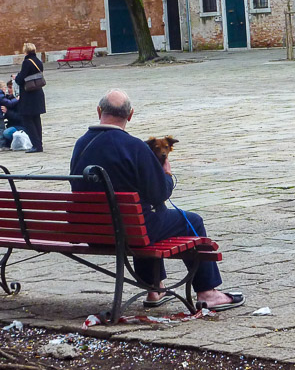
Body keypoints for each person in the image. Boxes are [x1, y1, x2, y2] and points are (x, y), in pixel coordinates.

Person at [69, 89, 245, 311]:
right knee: (190, 220)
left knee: (141, 219)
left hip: (92, 233)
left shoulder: (80, 144)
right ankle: (207, 292)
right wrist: (167, 175)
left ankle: (155, 287)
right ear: (130, 115)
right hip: (128, 231)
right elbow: (159, 193)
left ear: (99, 111)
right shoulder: (134, 147)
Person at [14, 42, 45, 153]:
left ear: (25, 51)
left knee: (28, 120)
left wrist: (16, 77)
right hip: (38, 93)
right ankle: (39, 144)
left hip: (29, 95)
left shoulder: (27, 62)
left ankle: (36, 145)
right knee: (36, 119)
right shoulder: (38, 61)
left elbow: (20, 79)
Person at [0, 80, 18, 151]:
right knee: (1, 130)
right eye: (5, 87)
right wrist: (16, 99)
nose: (6, 89)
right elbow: (9, 103)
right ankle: (1, 146)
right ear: (1, 88)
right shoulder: (0, 95)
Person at [1, 80, 25, 148]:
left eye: (10, 88)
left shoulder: (20, 101)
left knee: (7, 133)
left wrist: (7, 112)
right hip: (11, 124)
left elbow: (20, 117)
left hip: (21, 126)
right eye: (8, 88)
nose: (8, 90)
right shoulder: (7, 100)